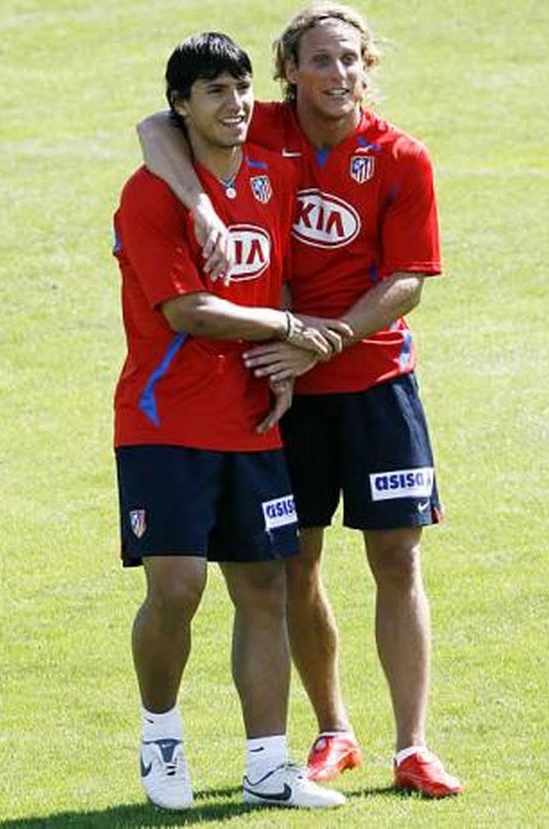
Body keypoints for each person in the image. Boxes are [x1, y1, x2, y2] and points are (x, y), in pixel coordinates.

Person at [136, 4, 463, 798]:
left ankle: (412, 745)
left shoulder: (400, 157)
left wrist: (327, 337)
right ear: (290, 68)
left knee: (397, 555)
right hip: (284, 394)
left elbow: (408, 281)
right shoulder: (260, 127)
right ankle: (333, 730)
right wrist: (205, 209)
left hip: (376, 381)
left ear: (368, 66)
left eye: (351, 59)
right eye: (321, 60)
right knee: (295, 562)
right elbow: (153, 128)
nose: (339, 74)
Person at [112, 31, 350, 810]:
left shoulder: (268, 177)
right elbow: (190, 312)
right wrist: (286, 331)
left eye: (242, 87)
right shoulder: (148, 194)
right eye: (214, 90)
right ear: (182, 105)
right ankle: (160, 734)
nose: (236, 103)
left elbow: (272, 282)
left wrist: (285, 363)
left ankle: (267, 765)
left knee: (265, 587)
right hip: (164, 422)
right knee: (177, 588)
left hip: (250, 421)